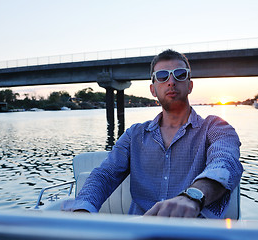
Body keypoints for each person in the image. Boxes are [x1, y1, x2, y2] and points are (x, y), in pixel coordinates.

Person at [62, 49, 243, 218]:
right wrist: (83, 208)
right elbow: (106, 174)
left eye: (180, 75)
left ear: (190, 85)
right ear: (153, 89)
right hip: (139, 230)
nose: (171, 82)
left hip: (192, 232)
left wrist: (193, 196)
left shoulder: (215, 127)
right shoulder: (135, 134)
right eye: (162, 76)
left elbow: (225, 161)